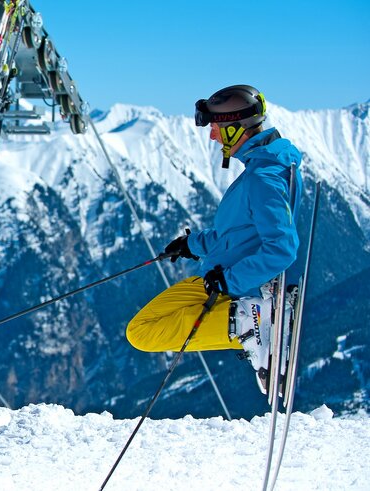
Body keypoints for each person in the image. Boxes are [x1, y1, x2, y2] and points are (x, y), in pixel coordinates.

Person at [126, 84, 303, 393]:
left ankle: (251, 323)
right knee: (138, 329)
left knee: (143, 333)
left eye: (218, 128)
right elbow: (236, 235)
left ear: (236, 129)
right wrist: (192, 244)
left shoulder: (263, 178)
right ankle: (251, 322)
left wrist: (230, 282)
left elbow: (282, 248)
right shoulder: (260, 170)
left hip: (233, 289)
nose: (212, 136)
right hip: (218, 276)